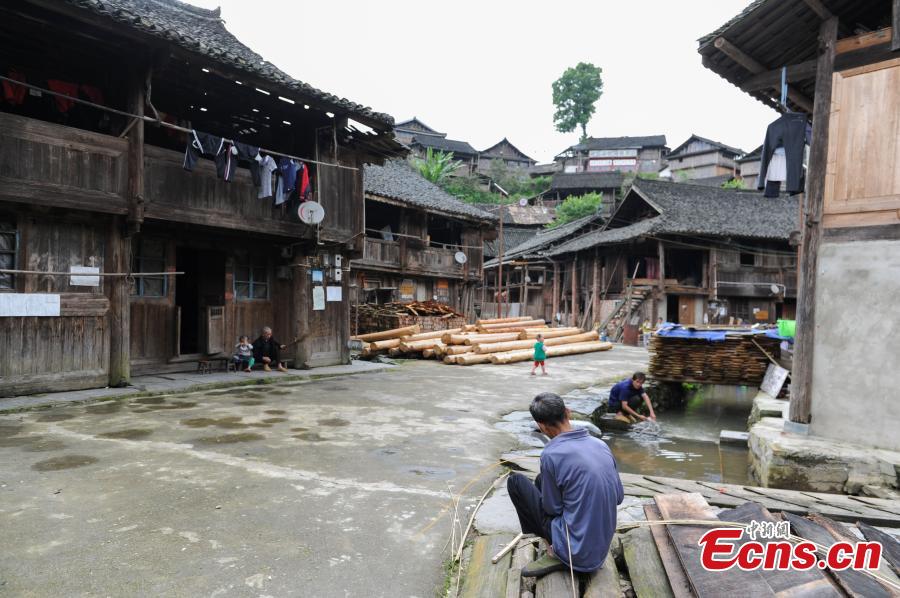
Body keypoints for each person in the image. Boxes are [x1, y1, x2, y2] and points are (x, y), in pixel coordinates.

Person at [507, 393, 624, 578]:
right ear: (568, 412)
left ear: (541, 426)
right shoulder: (600, 444)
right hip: (598, 552)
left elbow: (552, 508)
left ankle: (552, 550)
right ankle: (559, 544)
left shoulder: (551, 454)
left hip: (575, 553)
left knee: (515, 482)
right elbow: (618, 497)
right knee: (541, 480)